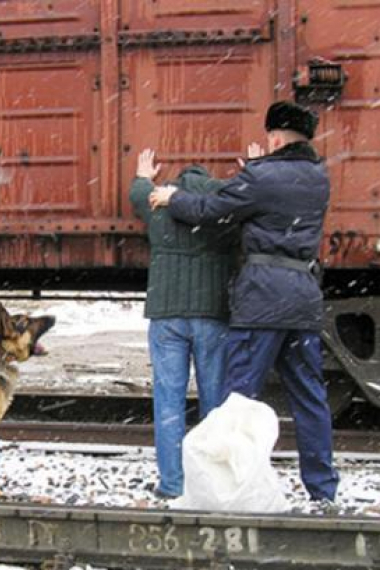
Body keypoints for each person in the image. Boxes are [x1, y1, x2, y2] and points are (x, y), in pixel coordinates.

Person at [148, 101, 339, 502]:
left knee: (237, 402)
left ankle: (232, 487)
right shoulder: (319, 178)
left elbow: (211, 210)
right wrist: (254, 173)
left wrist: (171, 197)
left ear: (273, 138)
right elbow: (271, 198)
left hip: (262, 301)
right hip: (303, 299)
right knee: (309, 397)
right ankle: (323, 490)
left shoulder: (262, 176)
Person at [129, 150, 235, 499]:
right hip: (211, 315)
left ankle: (172, 483)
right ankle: (211, 482)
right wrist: (254, 170)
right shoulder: (222, 208)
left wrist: (144, 175)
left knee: (168, 401)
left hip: (166, 315)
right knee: (215, 403)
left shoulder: (158, 204)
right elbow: (252, 199)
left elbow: (136, 196)